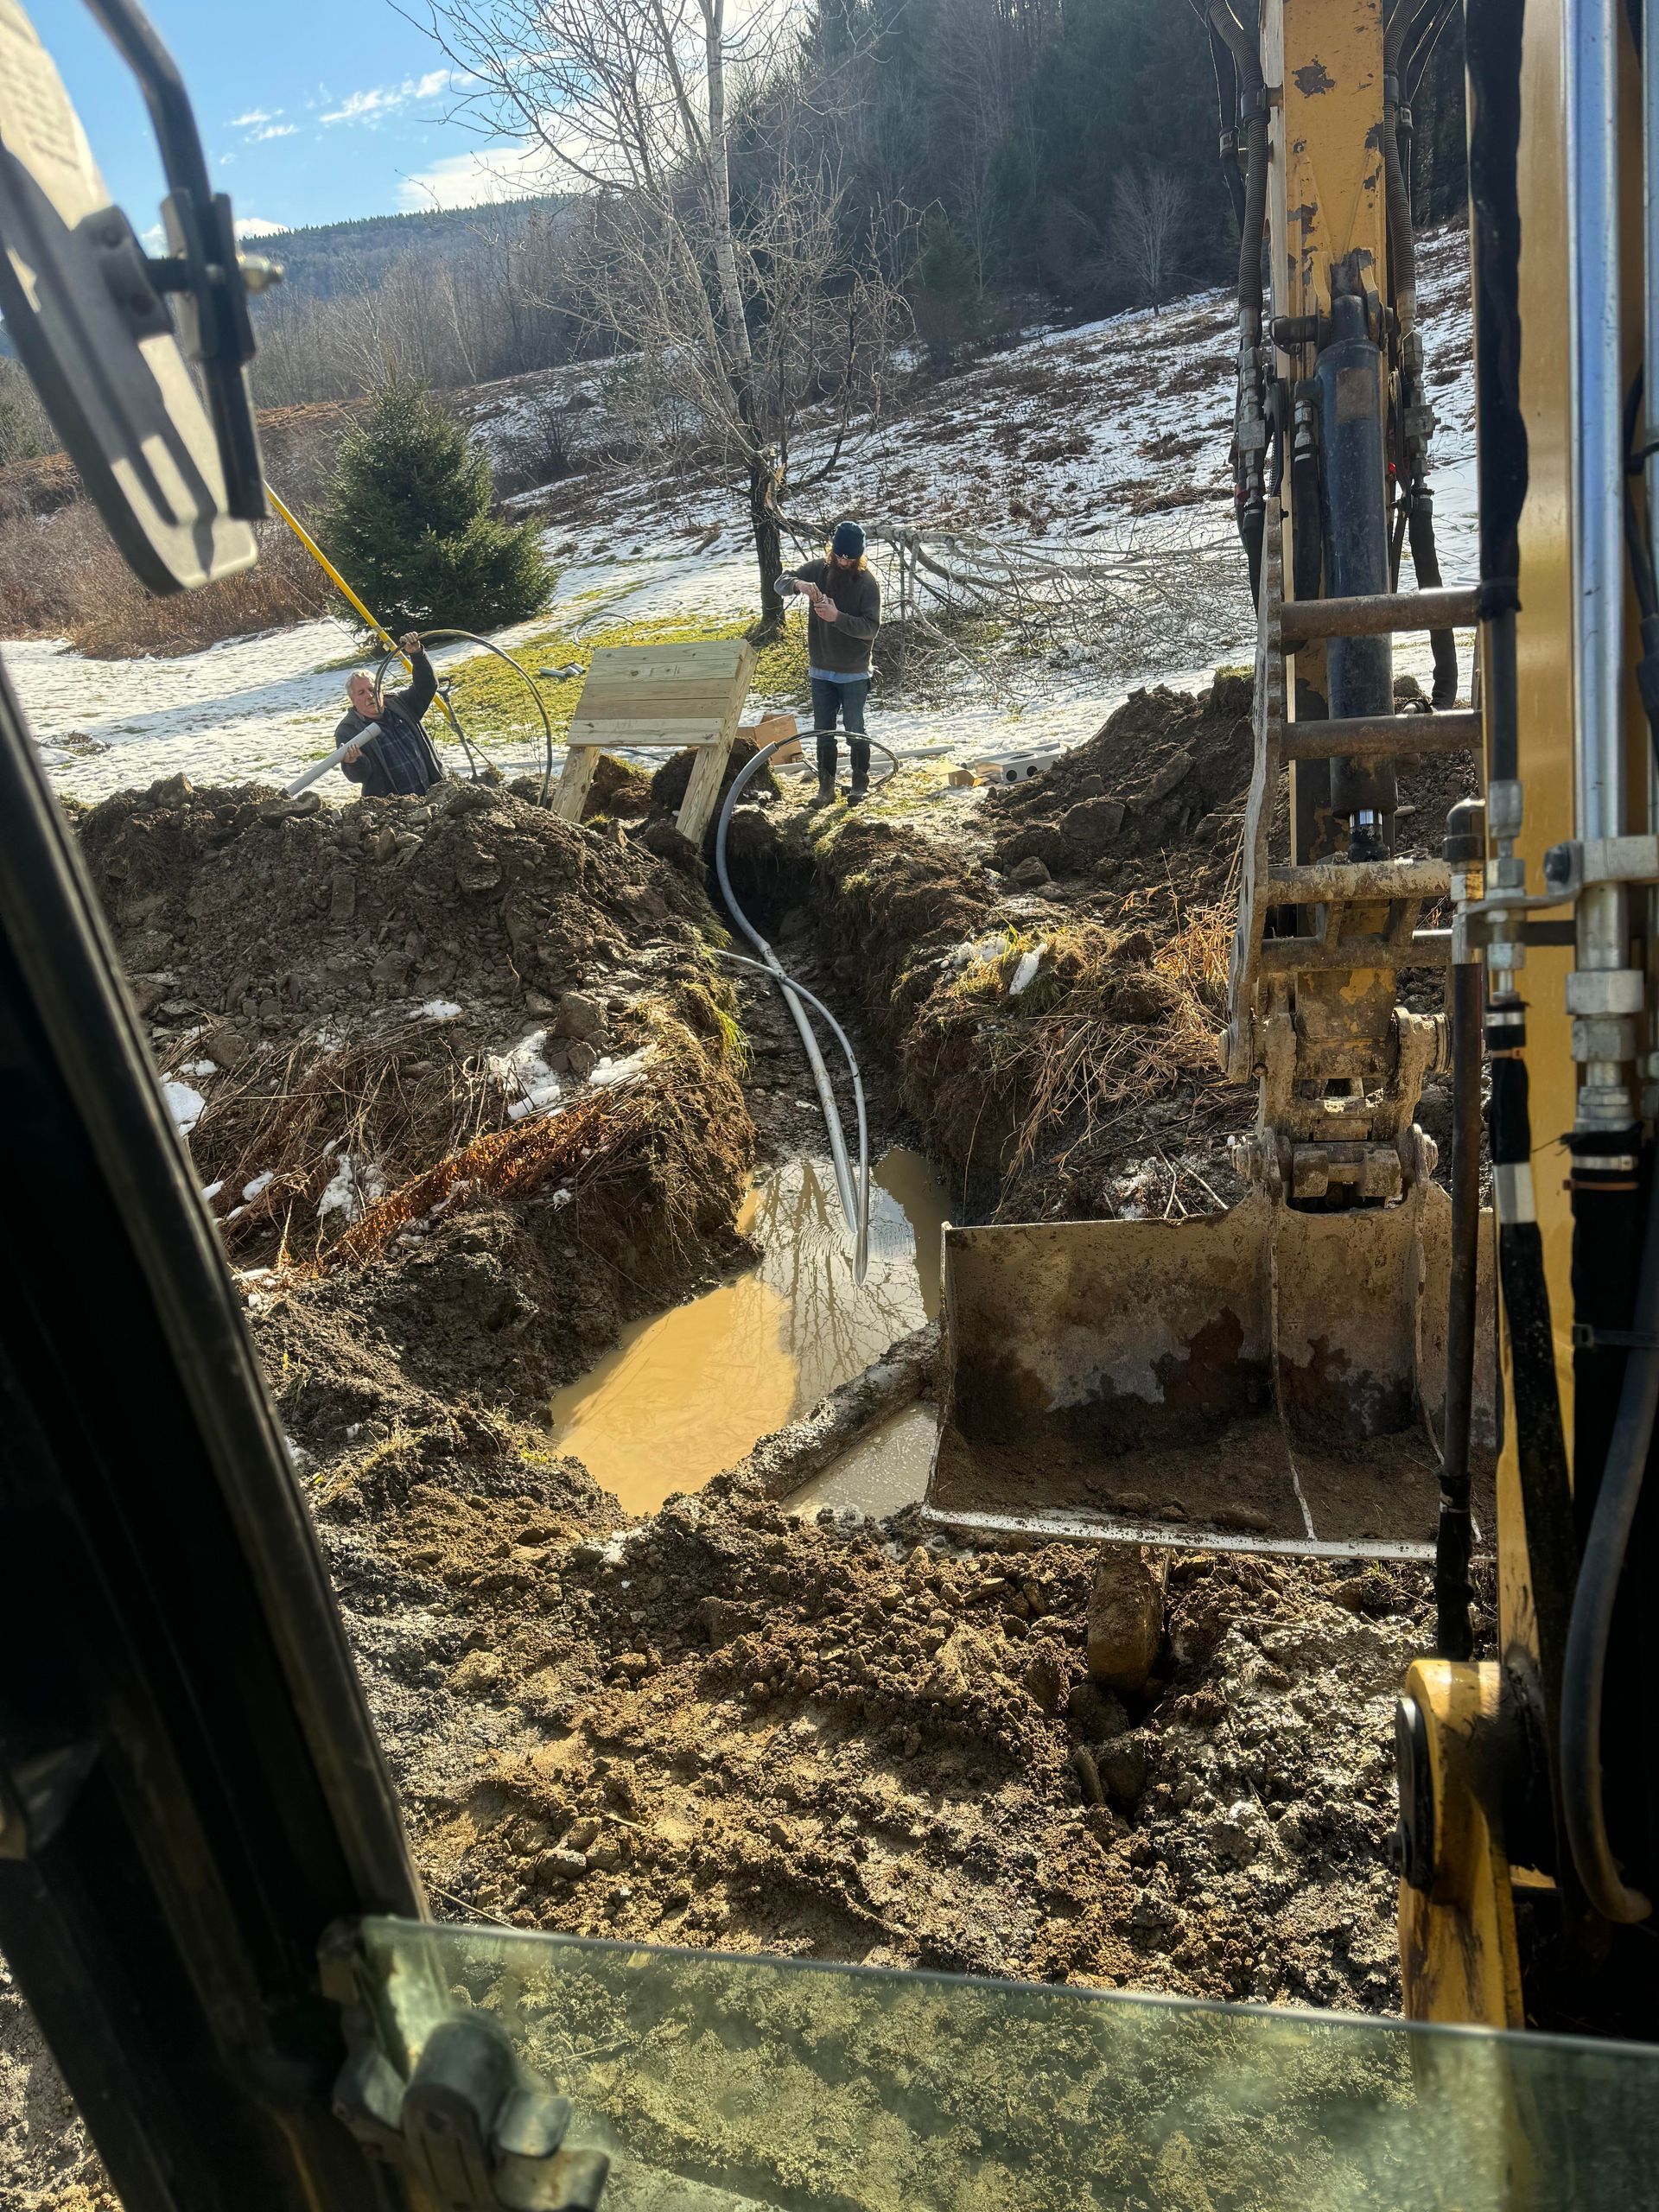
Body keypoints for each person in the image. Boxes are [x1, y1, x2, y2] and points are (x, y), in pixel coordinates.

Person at [778, 520, 881, 804]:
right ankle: (826, 787)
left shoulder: (868, 583)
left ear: (859, 557)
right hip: (821, 671)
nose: (843, 562)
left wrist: (838, 618)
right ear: (832, 551)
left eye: (850, 558)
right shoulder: (818, 571)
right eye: (839, 556)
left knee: (853, 728)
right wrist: (798, 584)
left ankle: (860, 781)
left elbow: (871, 628)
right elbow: (780, 583)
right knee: (823, 730)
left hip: (854, 673)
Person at [335, 631, 443, 797]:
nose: (370, 696)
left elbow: (427, 684)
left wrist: (417, 654)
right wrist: (354, 762)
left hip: (434, 796)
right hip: (396, 812)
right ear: (352, 699)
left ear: (381, 690)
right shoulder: (349, 730)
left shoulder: (401, 706)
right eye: (361, 693)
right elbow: (358, 776)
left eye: (372, 689)